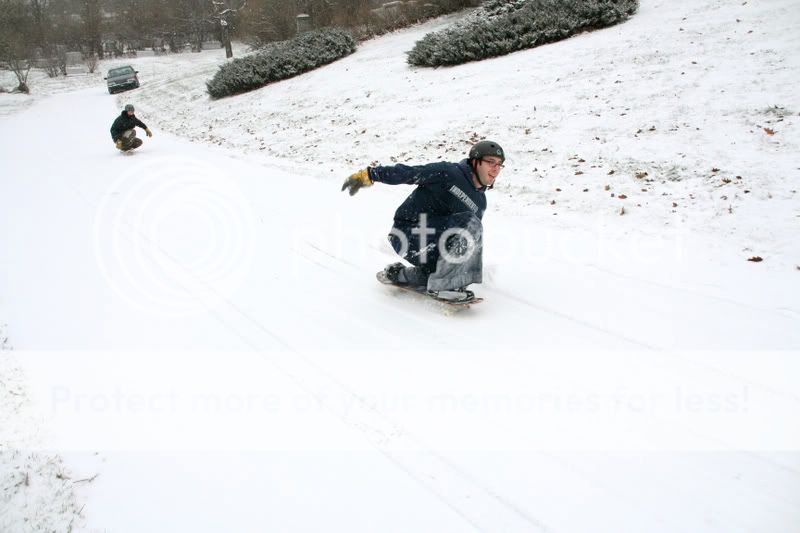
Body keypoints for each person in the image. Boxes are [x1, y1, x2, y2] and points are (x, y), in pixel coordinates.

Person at [342, 140, 505, 302]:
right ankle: (444, 286)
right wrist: (370, 174)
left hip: (431, 244)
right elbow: (409, 173)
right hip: (407, 233)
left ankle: (399, 274)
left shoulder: (480, 202)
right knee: (471, 222)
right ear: (475, 162)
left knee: (457, 255)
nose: (496, 169)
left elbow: (465, 240)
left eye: (499, 164)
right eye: (491, 162)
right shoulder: (449, 173)